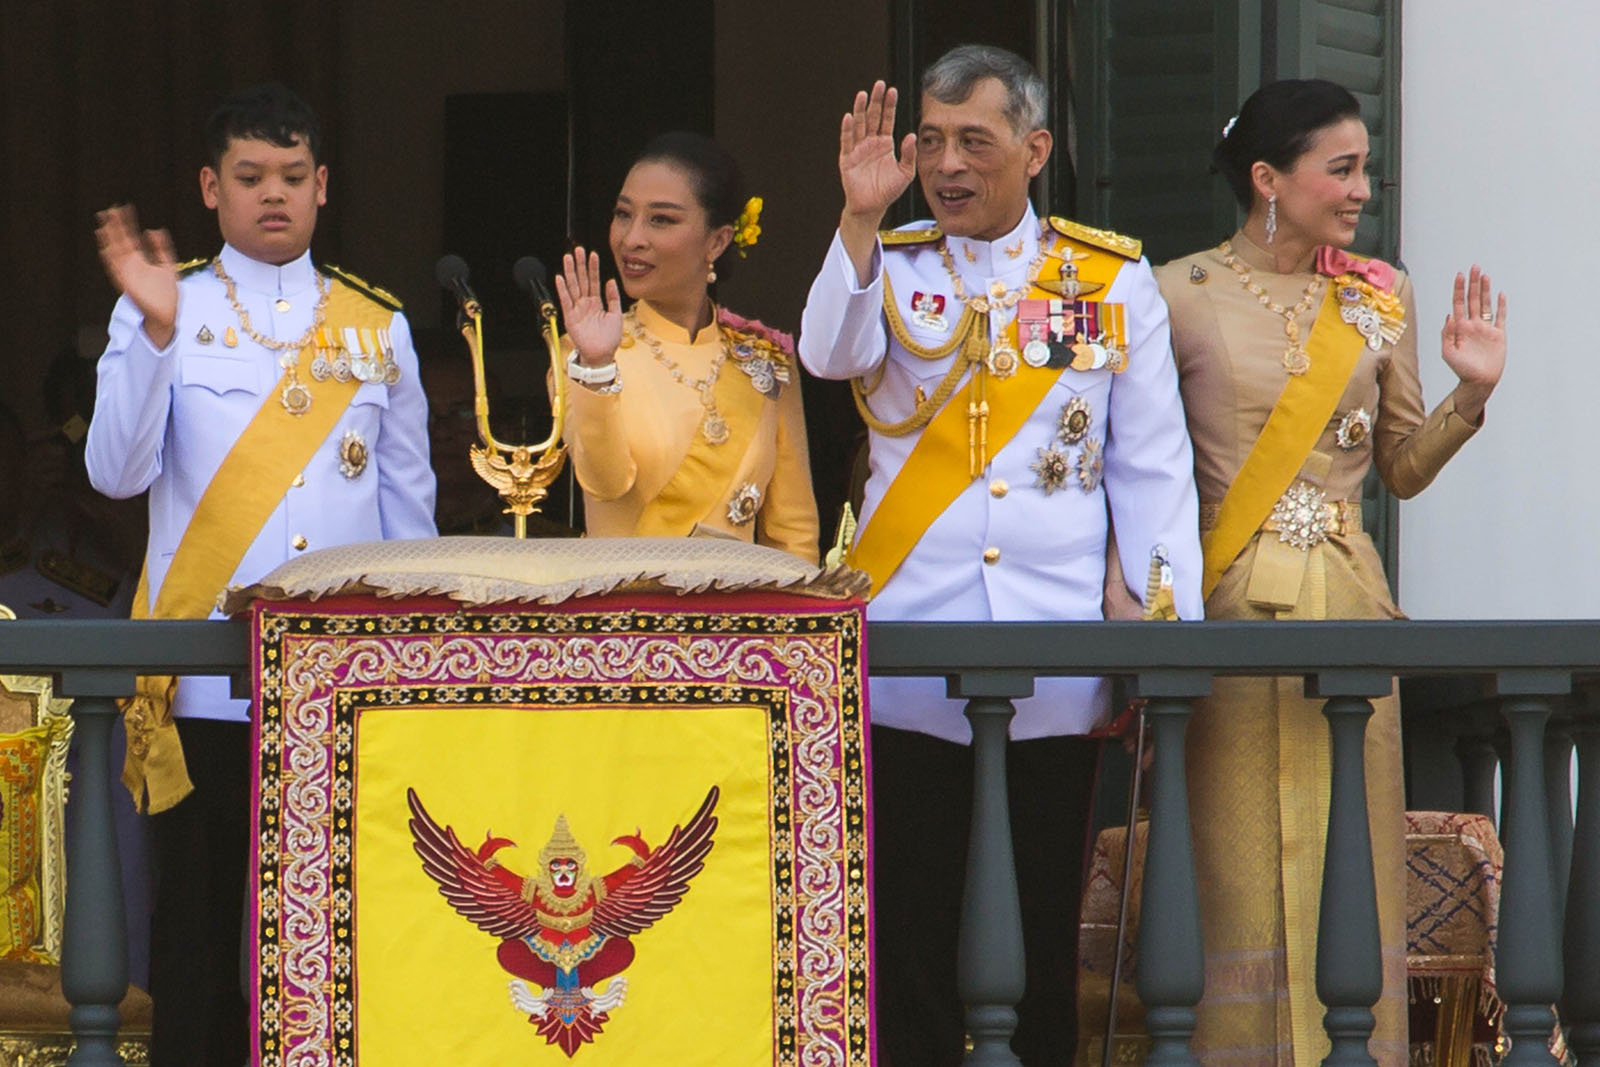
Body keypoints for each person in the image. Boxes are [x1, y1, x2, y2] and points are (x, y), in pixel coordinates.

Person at [797, 45, 1202, 1065]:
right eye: (929, 141)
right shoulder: (891, 264)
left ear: (1035, 148)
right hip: (905, 647)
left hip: (1053, 648)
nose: (947, 165)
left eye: (973, 141)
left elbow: (1148, 467)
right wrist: (857, 218)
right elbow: (827, 354)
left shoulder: (1110, 279)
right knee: (910, 920)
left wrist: (1159, 629)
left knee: (1036, 911)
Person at [85, 82, 437, 1064]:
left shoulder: (379, 325)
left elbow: (409, 533)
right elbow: (112, 471)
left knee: (337, 950)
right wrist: (154, 336)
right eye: (248, 177)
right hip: (200, 693)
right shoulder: (168, 306)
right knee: (197, 946)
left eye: (291, 176)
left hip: (341, 695)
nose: (270, 195)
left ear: (323, 185)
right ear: (210, 187)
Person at [1155, 78, 1505, 1065]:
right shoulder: (1173, 293)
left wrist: (1469, 398)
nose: (1360, 188)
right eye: (1339, 168)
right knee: (1229, 862)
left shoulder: (1376, 296)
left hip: (1348, 597)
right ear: (1269, 178)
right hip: (1225, 603)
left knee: (1347, 855)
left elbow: (1399, 465)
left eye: (1364, 168)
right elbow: (1139, 467)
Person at [553, 131, 819, 563]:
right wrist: (598, 365)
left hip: (739, 625)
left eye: (661, 220)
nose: (631, 238)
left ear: (717, 241)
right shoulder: (582, 351)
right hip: (627, 619)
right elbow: (604, 481)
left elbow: (793, 536)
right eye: (623, 215)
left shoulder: (766, 363)